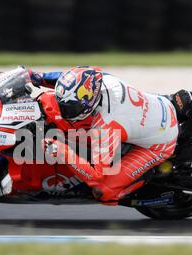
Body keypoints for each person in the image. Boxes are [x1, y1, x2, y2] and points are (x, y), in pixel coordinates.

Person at [29, 66, 179, 204]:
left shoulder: (105, 126)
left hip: (161, 142)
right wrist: (39, 77)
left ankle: (139, 184)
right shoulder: (100, 79)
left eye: (70, 108)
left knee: (103, 191)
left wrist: (62, 151)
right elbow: (70, 79)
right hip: (159, 105)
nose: (65, 113)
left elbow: (96, 175)